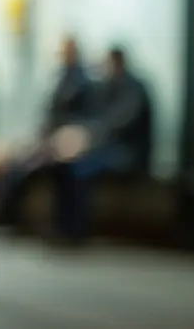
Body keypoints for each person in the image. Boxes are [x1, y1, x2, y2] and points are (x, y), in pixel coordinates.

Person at [0, 37, 93, 229]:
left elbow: (82, 120)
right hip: (50, 141)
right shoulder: (61, 78)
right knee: (16, 164)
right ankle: (0, 208)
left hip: (66, 144)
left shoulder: (81, 81)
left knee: (34, 167)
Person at [50, 46, 153, 244]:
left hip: (128, 153)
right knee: (63, 166)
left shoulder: (133, 89)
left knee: (79, 169)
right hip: (107, 149)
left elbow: (119, 122)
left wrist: (87, 136)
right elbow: (94, 118)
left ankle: (76, 230)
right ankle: (63, 227)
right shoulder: (107, 86)